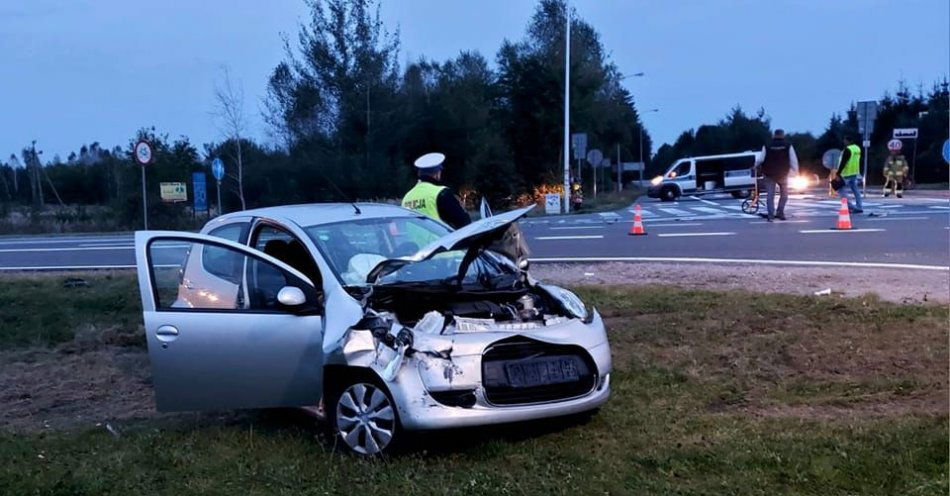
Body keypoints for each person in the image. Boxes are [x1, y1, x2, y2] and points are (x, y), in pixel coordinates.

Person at [401, 152, 471, 229]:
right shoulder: (441, 193)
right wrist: (463, 210)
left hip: (414, 241)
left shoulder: (406, 198)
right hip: (442, 240)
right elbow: (464, 223)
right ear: (437, 173)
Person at [754, 129, 799, 221]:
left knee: (770, 195)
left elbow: (761, 159)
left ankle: (771, 215)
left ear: (774, 135)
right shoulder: (788, 145)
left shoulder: (767, 145)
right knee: (784, 195)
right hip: (783, 174)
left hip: (769, 174)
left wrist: (755, 166)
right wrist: (795, 172)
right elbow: (793, 159)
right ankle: (780, 212)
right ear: (783, 135)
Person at [832, 136, 863, 213]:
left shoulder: (847, 150)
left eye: (845, 140)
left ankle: (850, 206)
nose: (844, 142)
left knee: (839, 188)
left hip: (846, 174)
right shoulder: (857, 148)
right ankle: (859, 206)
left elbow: (843, 162)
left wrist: (838, 173)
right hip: (854, 172)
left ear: (848, 141)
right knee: (855, 190)